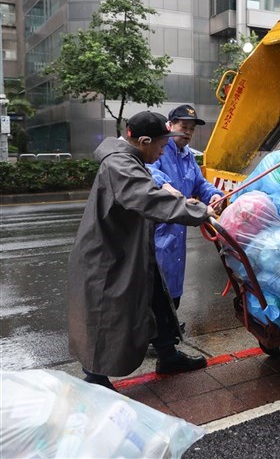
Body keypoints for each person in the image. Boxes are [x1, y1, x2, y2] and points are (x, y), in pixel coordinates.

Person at [67, 111, 216, 390]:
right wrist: (199, 212)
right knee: (105, 314)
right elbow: (148, 198)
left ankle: (168, 356)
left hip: (132, 250)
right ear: (144, 141)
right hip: (109, 257)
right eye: (161, 146)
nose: (162, 152)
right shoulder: (120, 165)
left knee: (157, 300)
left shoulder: (132, 159)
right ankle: (95, 378)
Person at [148, 105, 223, 314]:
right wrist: (164, 184)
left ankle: (170, 324)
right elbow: (148, 170)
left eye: (192, 129)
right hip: (159, 229)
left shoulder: (187, 155)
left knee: (173, 286)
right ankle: (160, 328)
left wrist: (214, 194)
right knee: (156, 287)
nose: (188, 132)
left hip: (178, 230)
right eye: (184, 127)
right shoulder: (160, 149)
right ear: (170, 126)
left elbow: (200, 183)